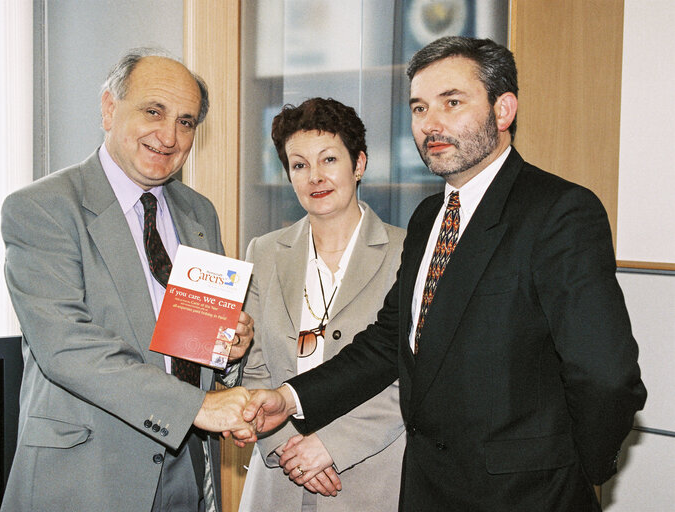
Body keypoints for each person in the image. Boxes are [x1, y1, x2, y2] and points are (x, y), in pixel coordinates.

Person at [241, 36, 647, 511]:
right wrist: (290, 399)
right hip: (425, 490)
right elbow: (388, 340)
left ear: (503, 110)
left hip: (525, 497)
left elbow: (607, 376)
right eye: (418, 108)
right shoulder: (428, 216)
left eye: (452, 102)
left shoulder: (558, 211)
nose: (430, 124)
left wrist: (578, 469)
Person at [1, 48, 255, 512]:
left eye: (186, 121)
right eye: (153, 112)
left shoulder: (198, 212)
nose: (169, 135)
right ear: (109, 108)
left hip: (188, 471)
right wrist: (194, 408)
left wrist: (228, 348)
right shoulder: (42, 208)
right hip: (88, 476)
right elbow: (65, 346)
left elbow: (193, 350)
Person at [238, 98, 406, 512]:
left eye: (329, 159)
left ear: (359, 164)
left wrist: (331, 445)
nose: (315, 176)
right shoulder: (263, 252)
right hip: (279, 475)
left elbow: (410, 375)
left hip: (371, 473)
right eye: (299, 165)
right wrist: (288, 448)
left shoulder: (406, 251)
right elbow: (252, 366)